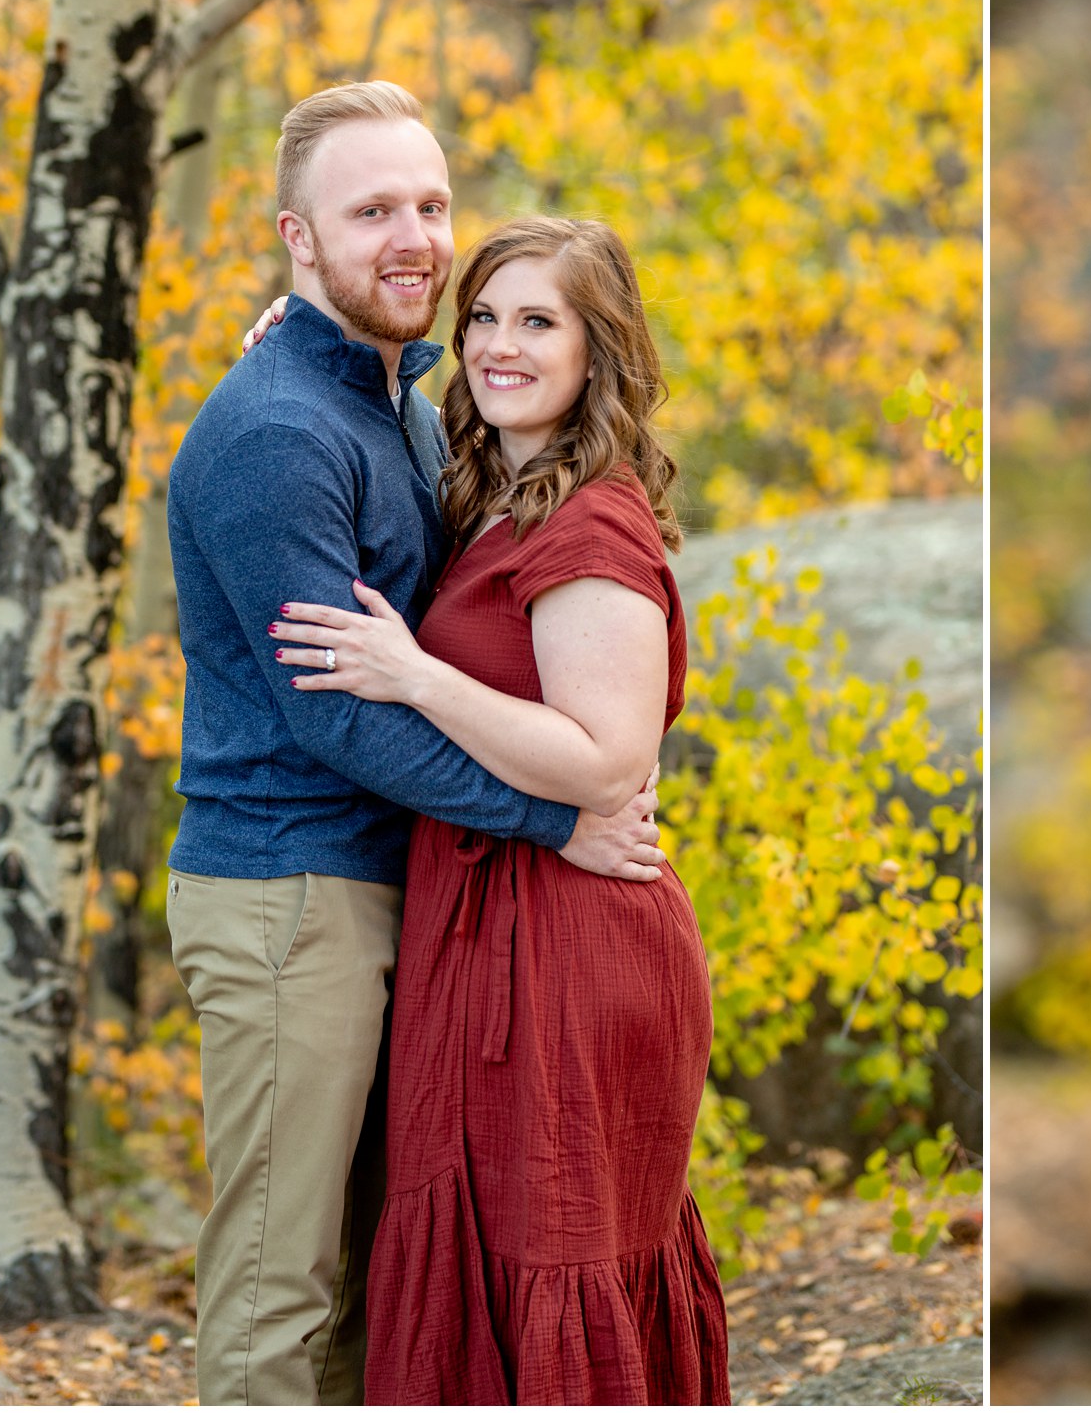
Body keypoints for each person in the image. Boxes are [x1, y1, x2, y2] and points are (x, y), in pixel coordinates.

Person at [166, 83, 663, 1405]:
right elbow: (336, 710)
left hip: (408, 893)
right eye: (371, 209)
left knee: (384, 1286)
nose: (414, 239)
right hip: (290, 896)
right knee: (281, 1282)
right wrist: (556, 815)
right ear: (298, 237)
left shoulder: (393, 400)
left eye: (431, 205)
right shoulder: (281, 430)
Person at [267, 217, 730, 1405]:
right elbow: (370, 401)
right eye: (482, 317)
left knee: (548, 1257)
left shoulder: (591, 525)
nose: (497, 346)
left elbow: (606, 757)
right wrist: (287, 340)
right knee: (478, 1263)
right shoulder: (489, 485)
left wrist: (414, 673)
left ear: (599, 350)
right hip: (487, 921)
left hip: (570, 943)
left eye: (539, 322)